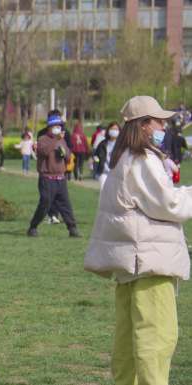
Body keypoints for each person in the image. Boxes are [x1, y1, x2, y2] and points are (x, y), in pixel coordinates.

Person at [85, 95, 189, 385]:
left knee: (128, 344)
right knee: (157, 340)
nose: (164, 125)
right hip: (149, 263)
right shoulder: (143, 160)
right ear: (144, 125)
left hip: (130, 265)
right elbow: (169, 204)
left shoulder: (124, 158)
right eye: (158, 120)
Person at [27, 114, 80, 238]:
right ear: (49, 127)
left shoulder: (62, 140)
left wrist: (64, 152)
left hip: (60, 179)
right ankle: (33, 226)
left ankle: (72, 228)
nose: (57, 128)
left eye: (59, 126)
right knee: (45, 203)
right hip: (47, 179)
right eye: (55, 126)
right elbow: (44, 151)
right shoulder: (42, 139)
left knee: (65, 205)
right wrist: (55, 141)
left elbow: (67, 156)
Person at [94, 121, 120, 188]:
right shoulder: (103, 144)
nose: (114, 131)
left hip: (117, 174)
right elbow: (96, 156)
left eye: (116, 129)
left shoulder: (121, 145)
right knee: (103, 192)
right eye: (112, 129)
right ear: (108, 130)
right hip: (104, 173)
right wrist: (96, 168)